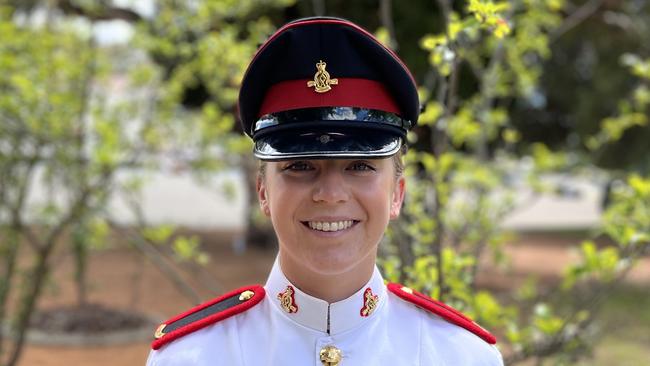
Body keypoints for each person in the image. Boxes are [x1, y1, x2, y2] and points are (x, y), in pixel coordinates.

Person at [146, 16, 503, 365]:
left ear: (397, 193)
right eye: (300, 166)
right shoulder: (191, 357)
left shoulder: (462, 355)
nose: (330, 194)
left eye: (360, 166)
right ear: (263, 192)